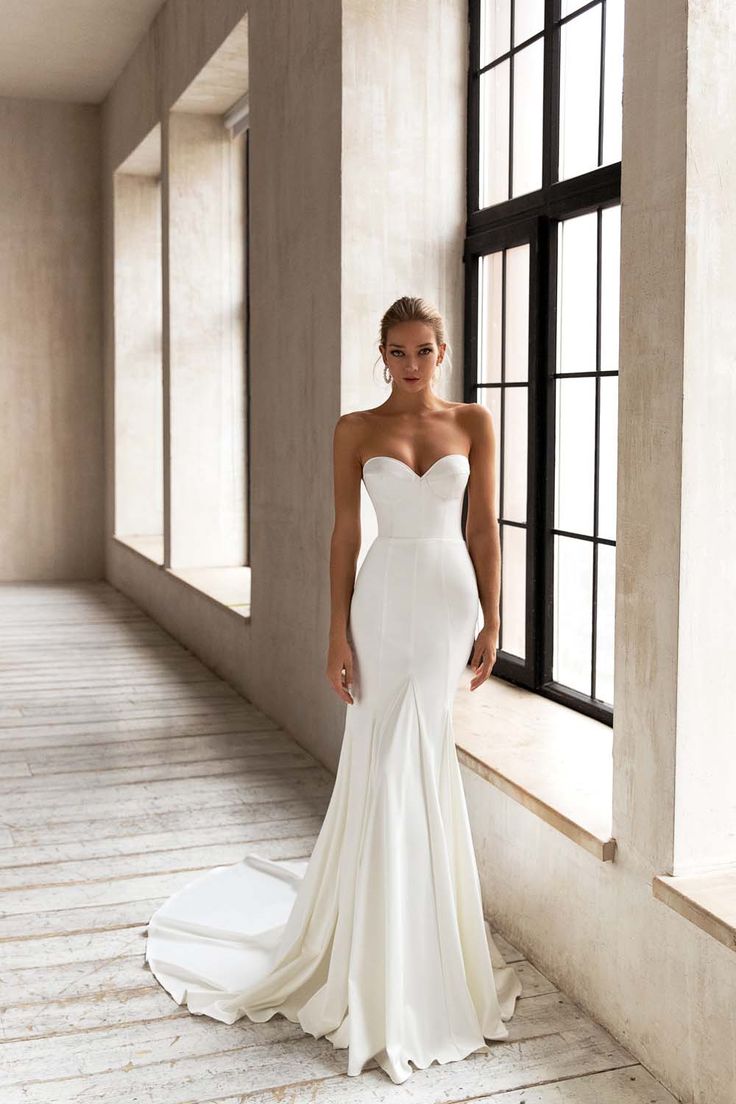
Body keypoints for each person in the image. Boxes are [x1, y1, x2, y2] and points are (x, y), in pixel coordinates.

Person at [144, 295, 522, 1085]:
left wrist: (493, 619)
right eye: (397, 352)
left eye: (424, 350)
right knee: (384, 763)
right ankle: (375, 958)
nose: (411, 366)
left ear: (443, 351)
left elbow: (483, 527)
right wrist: (334, 631)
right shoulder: (355, 429)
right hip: (382, 604)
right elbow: (345, 533)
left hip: (449, 605)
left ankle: (418, 954)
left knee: (422, 760)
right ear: (380, 355)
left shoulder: (474, 424)